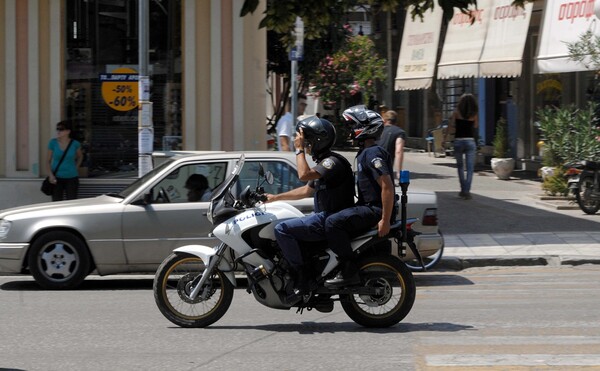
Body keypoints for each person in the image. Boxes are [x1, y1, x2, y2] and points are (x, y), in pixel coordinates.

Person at [266, 116, 355, 300]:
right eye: (303, 143)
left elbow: (303, 175)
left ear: (318, 141)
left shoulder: (332, 163)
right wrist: (274, 198)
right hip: (325, 217)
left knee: (282, 229)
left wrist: (299, 151)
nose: (305, 145)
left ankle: (302, 277)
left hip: (330, 219)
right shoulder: (324, 163)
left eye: (307, 142)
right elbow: (307, 190)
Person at [324, 105, 396, 287]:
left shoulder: (373, 153)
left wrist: (385, 219)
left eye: (351, 126)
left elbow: (386, 186)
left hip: (375, 210)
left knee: (332, 222)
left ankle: (348, 268)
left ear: (364, 127)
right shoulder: (365, 152)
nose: (349, 131)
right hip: (369, 207)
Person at [445, 93, 479, 200]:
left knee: (460, 167)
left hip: (458, 141)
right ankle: (467, 191)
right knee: (469, 168)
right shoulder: (474, 114)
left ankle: (462, 189)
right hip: (470, 141)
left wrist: (445, 139)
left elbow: (450, 126)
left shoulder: (456, 113)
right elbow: (476, 126)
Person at [47, 120, 83, 201]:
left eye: (61, 129)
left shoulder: (75, 144)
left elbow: (80, 156)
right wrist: (50, 175)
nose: (58, 131)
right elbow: (48, 160)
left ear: (68, 131)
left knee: (71, 201)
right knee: (56, 201)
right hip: (57, 177)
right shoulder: (53, 143)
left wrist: (76, 167)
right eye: (57, 129)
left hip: (71, 177)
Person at [376, 110, 406, 184]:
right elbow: (399, 151)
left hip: (373, 164)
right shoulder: (399, 132)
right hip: (386, 169)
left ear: (384, 120)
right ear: (396, 121)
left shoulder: (377, 130)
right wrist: (398, 173)